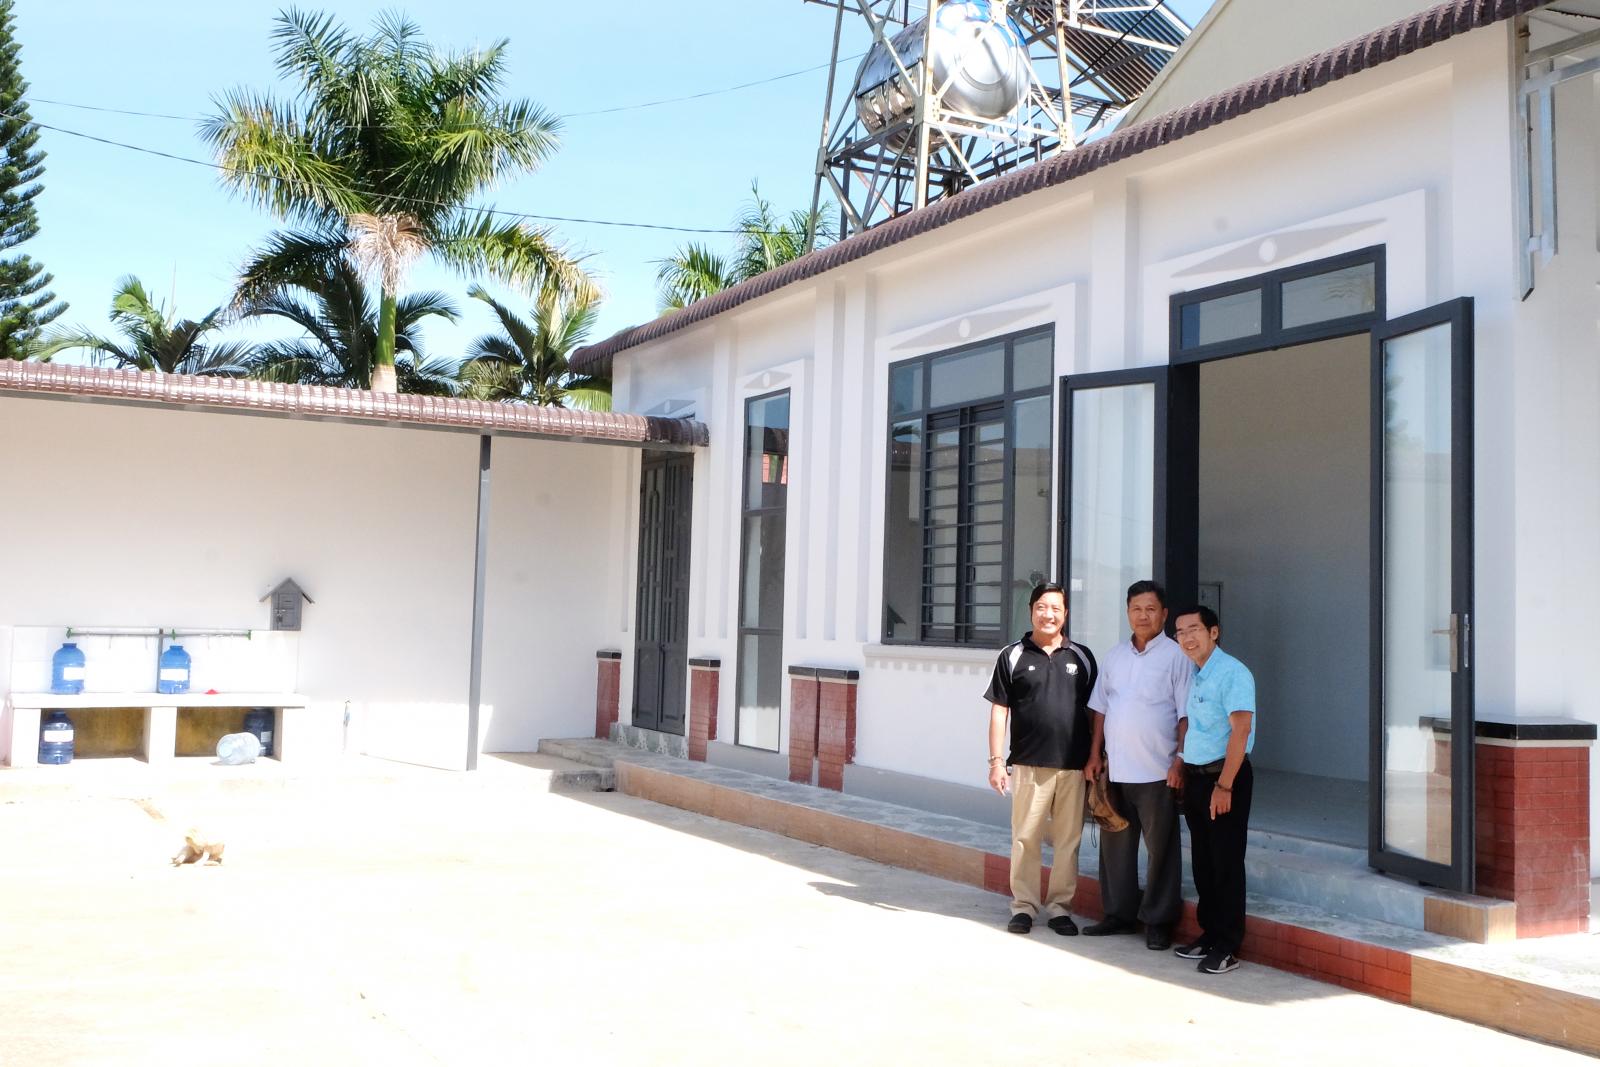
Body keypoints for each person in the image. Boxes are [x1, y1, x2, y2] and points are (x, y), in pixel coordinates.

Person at [1081, 580, 1191, 950]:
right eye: (1136, 609)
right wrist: (1094, 756)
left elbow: (1185, 715)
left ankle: (1158, 920)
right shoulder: (1114, 656)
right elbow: (1100, 709)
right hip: (1116, 770)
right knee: (1115, 848)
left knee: (1162, 852)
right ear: (1127, 612)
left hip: (1158, 771)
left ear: (1164, 614)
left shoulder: (1177, 656)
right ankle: (1119, 915)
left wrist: (1180, 761)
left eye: (1150, 609)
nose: (1143, 616)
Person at [985, 582, 1098, 935]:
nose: (1048, 614)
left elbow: (1096, 712)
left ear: (1065, 614)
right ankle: (1024, 907)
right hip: (1028, 764)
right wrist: (995, 762)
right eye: (1042, 607)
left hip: (1073, 766)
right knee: (1025, 838)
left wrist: (1096, 757)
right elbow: (999, 711)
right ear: (1031, 610)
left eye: (1056, 609)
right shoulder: (1012, 655)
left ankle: (1060, 909)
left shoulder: (1082, 657)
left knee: (1068, 842)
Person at [1172, 604, 1257, 975]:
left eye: (1194, 629)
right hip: (1197, 777)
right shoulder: (1196, 673)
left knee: (1226, 862)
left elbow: (1241, 731)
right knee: (1204, 862)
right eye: (1180, 632)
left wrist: (1224, 785)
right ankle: (1209, 934)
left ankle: (1228, 945)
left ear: (1214, 632)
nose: (1187, 638)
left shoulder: (1233, 673)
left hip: (1224, 778)